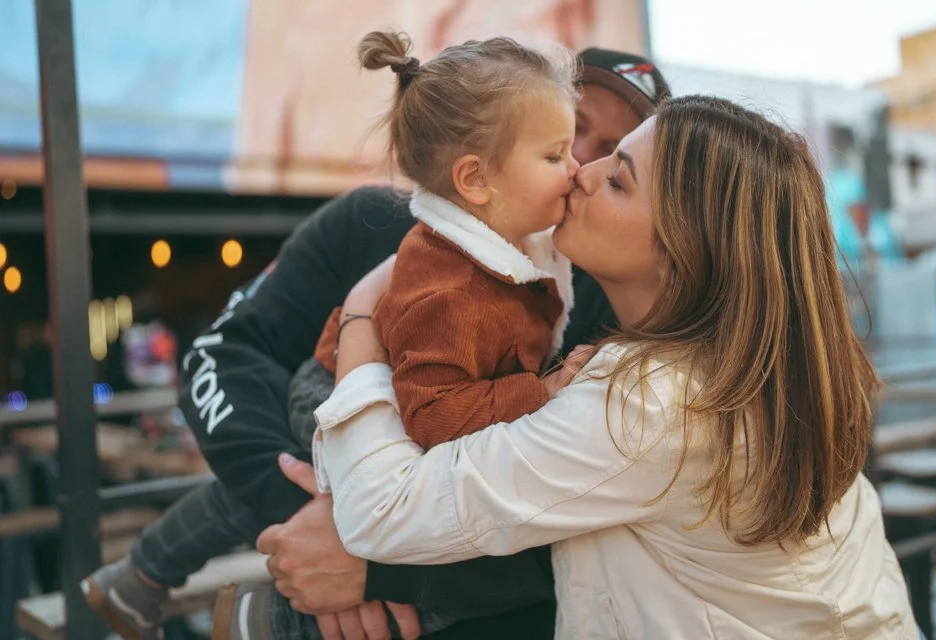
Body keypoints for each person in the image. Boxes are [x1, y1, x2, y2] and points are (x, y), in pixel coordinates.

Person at [264, 96, 920, 638]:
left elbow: (383, 509)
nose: (580, 170)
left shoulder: (654, 402)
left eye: (618, 178)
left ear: (683, 252)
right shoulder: (762, 370)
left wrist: (361, 313)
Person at [141, 47, 670, 639]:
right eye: (563, 140)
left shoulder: (607, 298)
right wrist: (309, 512)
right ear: (482, 159)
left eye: (612, 158)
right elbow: (221, 357)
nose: (580, 169)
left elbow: (590, 516)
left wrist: (381, 569)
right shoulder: (374, 222)